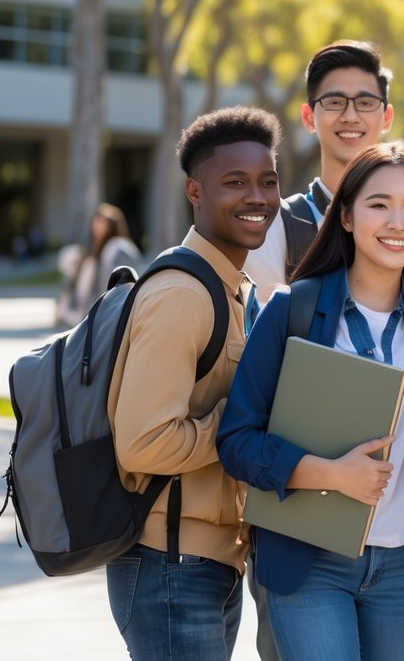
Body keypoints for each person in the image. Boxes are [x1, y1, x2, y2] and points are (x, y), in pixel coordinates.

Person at [217, 141, 404, 661]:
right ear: (346, 216)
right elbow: (237, 441)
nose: (398, 221)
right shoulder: (293, 309)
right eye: (379, 204)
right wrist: (328, 473)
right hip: (310, 560)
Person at [105, 106, 283, 660]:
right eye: (235, 182)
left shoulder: (233, 288)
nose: (257, 197)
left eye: (268, 181)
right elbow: (144, 442)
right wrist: (241, 426)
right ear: (194, 191)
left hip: (208, 562)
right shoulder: (183, 295)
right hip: (170, 566)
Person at [245, 39, 396, 303]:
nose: (350, 116)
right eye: (335, 102)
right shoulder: (275, 229)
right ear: (308, 117)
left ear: (386, 117)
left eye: (365, 103)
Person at [55, 203, 143, 327]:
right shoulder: (93, 251)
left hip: (109, 316)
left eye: (102, 220)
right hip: (88, 315)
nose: (96, 223)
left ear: (112, 224)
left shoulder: (117, 248)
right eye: (96, 218)